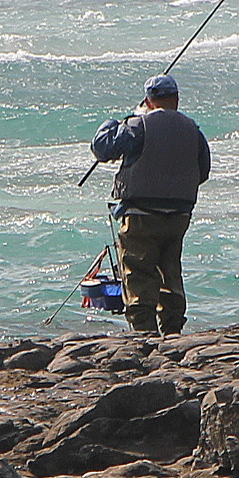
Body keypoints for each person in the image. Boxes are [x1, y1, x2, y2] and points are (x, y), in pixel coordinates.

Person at [89, 74, 211, 335]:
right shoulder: (194, 130)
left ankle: (145, 337)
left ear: (148, 100)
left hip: (141, 215)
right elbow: (203, 172)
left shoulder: (137, 126)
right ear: (176, 99)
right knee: (171, 276)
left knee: (139, 275)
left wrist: (116, 122)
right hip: (178, 217)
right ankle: (173, 333)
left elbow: (102, 148)